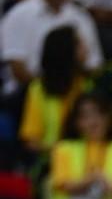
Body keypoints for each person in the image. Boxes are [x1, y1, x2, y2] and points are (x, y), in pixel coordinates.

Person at [1, 0, 102, 99]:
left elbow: (94, 65)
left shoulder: (82, 18)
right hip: (28, 91)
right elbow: (18, 70)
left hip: (75, 93)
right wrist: (52, 89)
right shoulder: (18, 15)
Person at [19, 26, 89, 158]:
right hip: (51, 160)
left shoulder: (87, 84)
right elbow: (31, 141)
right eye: (80, 44)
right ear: (66, 51)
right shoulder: (38, 90)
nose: (87, 48)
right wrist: (63, 151)